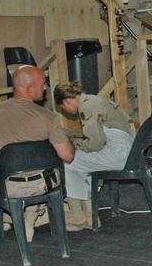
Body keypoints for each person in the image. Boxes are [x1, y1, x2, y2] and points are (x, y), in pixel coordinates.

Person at [0, 66, 75, 251]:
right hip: (42, 185)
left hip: (7, 186)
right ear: (29, 89)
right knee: (44, 170)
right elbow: (67, 155)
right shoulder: (48, 117)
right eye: (43, 84)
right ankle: (31, 217)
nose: (46, 88)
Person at [53, 81, 136, 230]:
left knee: (66, 160)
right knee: (84, 164)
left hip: (117, 154)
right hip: (128, 149)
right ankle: (90, 216)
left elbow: (96, 143)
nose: (65, 110)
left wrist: (76, 146)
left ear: (66, 101)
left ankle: (78, 215)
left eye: (63, 107)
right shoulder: (96, 99)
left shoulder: (87, 107)